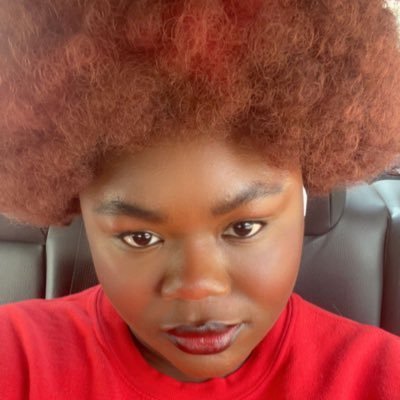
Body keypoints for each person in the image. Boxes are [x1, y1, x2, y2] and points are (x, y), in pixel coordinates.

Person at [0, 0, 400, 398]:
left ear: (303, 200)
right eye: (141, 238)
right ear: (81, 212)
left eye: (244, 228)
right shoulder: (16, 356)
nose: (196, 287)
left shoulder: (381, 377)